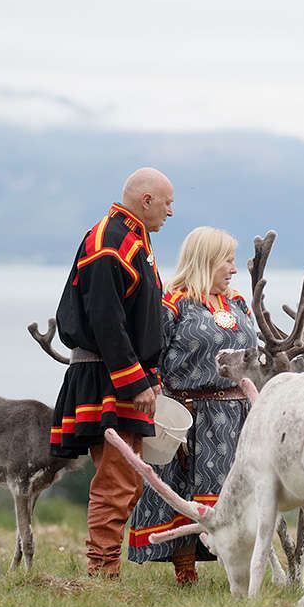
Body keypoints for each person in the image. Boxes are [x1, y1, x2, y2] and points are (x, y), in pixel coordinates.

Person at [49, 167, 174, 579]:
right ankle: (102, 570)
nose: (171, 212)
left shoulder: (132, 239)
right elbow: (105, 319)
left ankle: (104, 566)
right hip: (108, 375)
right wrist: (135, 380)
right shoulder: (110, 239)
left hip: (121, 373)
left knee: (128, 478)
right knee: (117, 478)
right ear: (147, 200)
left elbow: (137, 320)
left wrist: (149, 377)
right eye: (168, 203)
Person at [128, 226, 256, 585]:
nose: (233, 269)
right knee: (185, 490)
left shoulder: (238, 303)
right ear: (206, 260)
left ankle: (241, 568)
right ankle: (185, 569)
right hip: (191, 413)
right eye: (227, 261)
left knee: (239, 494)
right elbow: (151, 357)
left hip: (238, 414)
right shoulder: (173, 303)